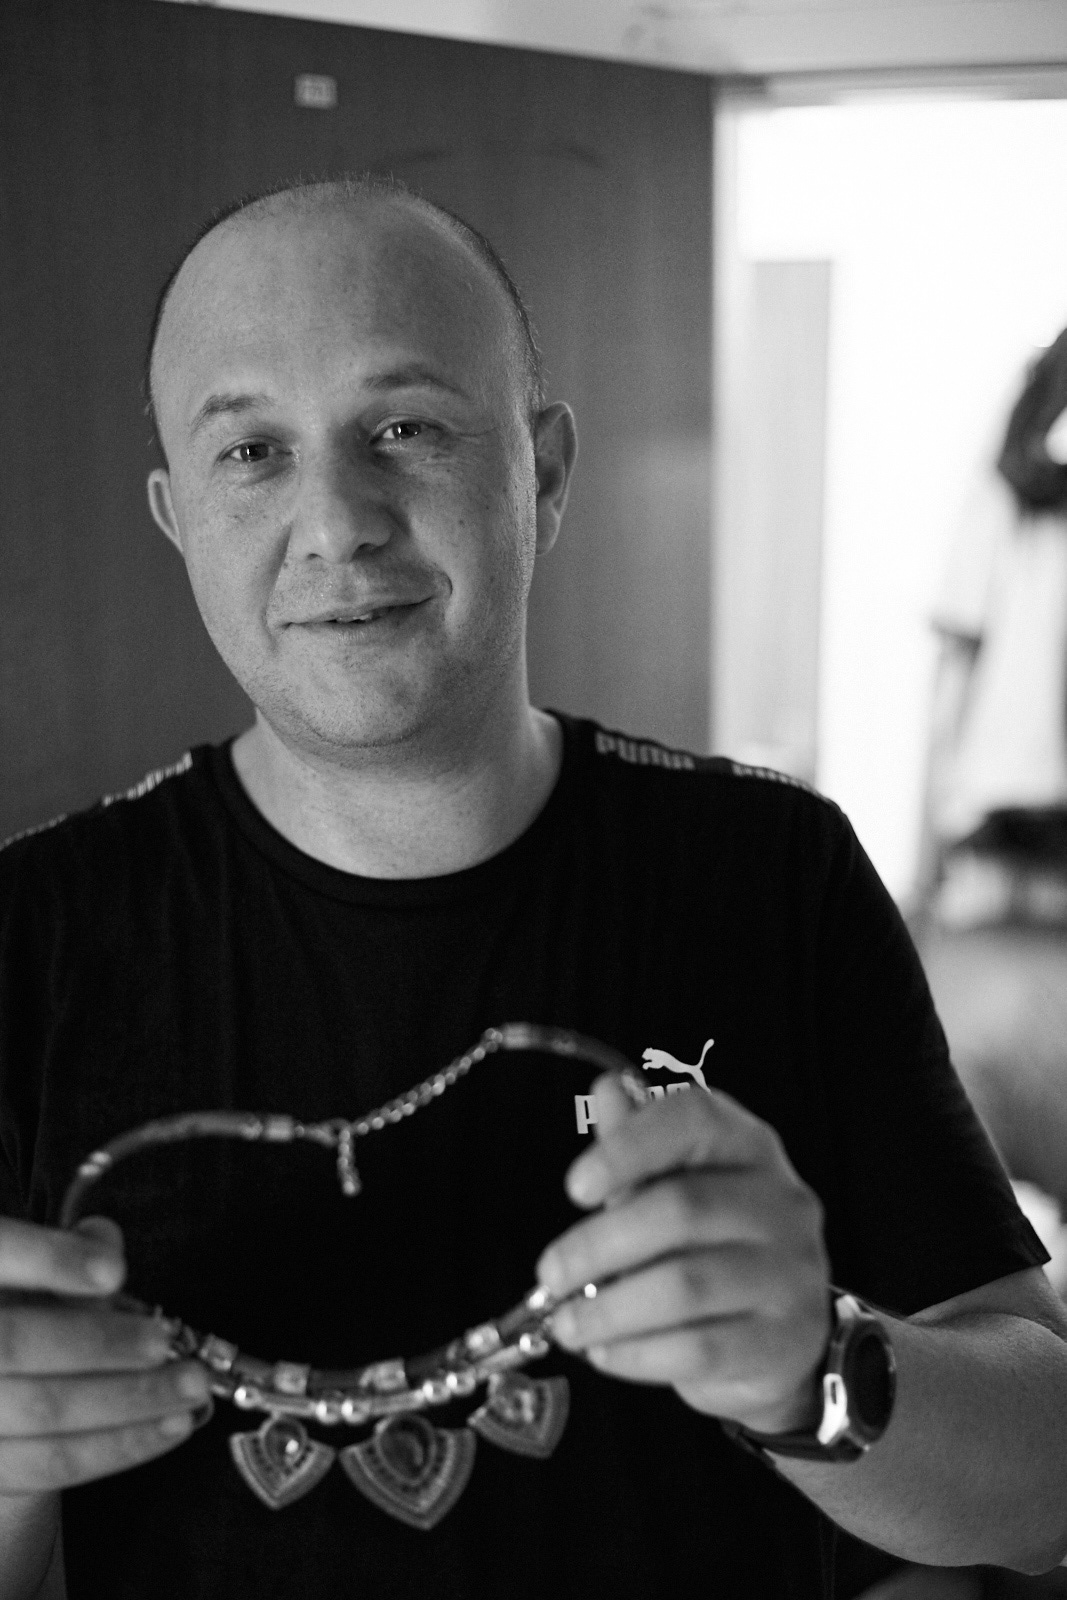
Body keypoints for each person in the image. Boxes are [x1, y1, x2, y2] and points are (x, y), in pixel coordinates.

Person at [0, 174, 1065, 1600]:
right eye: (251, 451)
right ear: (177, 516)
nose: (338, 521)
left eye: (404, 428)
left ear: (543, 474)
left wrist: (815, 1364)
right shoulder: (33, 935)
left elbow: (1047, 1488)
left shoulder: (770, 873)